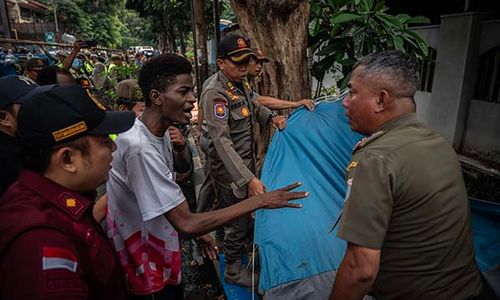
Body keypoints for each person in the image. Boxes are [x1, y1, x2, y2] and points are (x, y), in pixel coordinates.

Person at [106, 53, 307, 299]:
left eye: (191, 91)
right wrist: (259, 201)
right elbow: (186, 223)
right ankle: (234, 269)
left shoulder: (157, 133)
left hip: (160, 253)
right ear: (156, 97)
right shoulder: (140, 148)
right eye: (183, 92)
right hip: (144, 266)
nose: (192, 100)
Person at [329, 50, 483, 300]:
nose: (345, 102)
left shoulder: (375, 158)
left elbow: (361, 270)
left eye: (353, 92)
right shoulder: (437, 142)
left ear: (381, 100)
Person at [0, 85, 136, 299]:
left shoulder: (57, 200)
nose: (113, 148)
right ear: (68, 159)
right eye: (103, 141)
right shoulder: (40, 242)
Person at [200, 34, 289, 288]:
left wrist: (272, 118)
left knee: (236, 215)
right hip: (231, 170)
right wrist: (247, 178)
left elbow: (254, 106)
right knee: (238, 218)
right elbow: (221, 142)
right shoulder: (215, 93)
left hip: (245, 163)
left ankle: (227, 250)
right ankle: (233, 270)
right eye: (237, 62)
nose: (244, 66)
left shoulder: (239, 84)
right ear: (220, 63)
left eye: (246, 61)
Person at [0, 75, 53, 197]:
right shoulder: (7, 167)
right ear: (4, 118)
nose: (42, 109)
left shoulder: (30, 140)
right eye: (32, 104)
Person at [248, 48, 314, 111]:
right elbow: (259, 100)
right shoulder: (241, 82)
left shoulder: (249, 82)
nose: (259, 66)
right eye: (255, 62)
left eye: (261, 63)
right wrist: (296, 104)